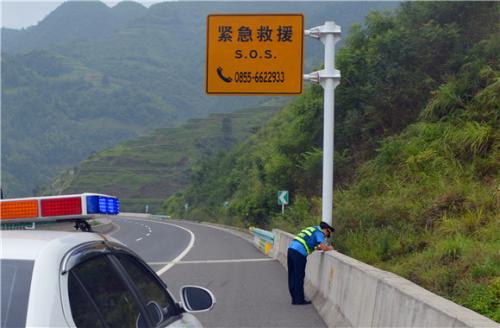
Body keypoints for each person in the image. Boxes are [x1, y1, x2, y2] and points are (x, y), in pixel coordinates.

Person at [287, 221, 334, 305]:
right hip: (299, 254)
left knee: (292, 275)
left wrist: (317, 247)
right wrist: (329, 248)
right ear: (326, 230)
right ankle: (299, 300)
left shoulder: (312, 229)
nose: (326, 237)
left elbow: (308, 242)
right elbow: (323, 247)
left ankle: (294, 298)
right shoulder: (319, 233)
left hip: (291, 250)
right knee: (299, 277)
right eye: (327, 234)